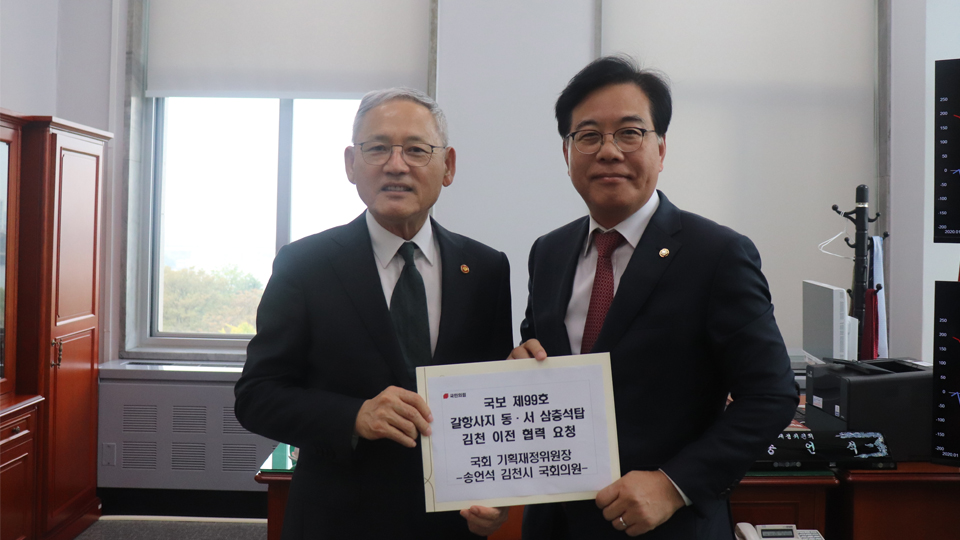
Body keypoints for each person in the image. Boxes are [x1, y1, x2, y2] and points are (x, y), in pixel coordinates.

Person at [510, 56, 799, 539]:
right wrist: (521, 366)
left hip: (668, 526)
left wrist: (673, 485)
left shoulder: (717, 254)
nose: (608, 151)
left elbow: (771, 395)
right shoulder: (549, 252)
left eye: (629, 133)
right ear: (567, 153)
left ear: (660, 148)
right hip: (555, 525)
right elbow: (538, 358)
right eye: (588, 135)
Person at [235, 88, 513, 539]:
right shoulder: (305, 265)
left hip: (449, 526)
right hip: (336, 521)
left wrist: (496, 496)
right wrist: (355, 416)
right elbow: (257, 396)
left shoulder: (485, 269)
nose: (396, 165)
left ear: (448, 167)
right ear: (351, 164)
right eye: (378, 148)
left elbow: (491, 401)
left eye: (417, 150)